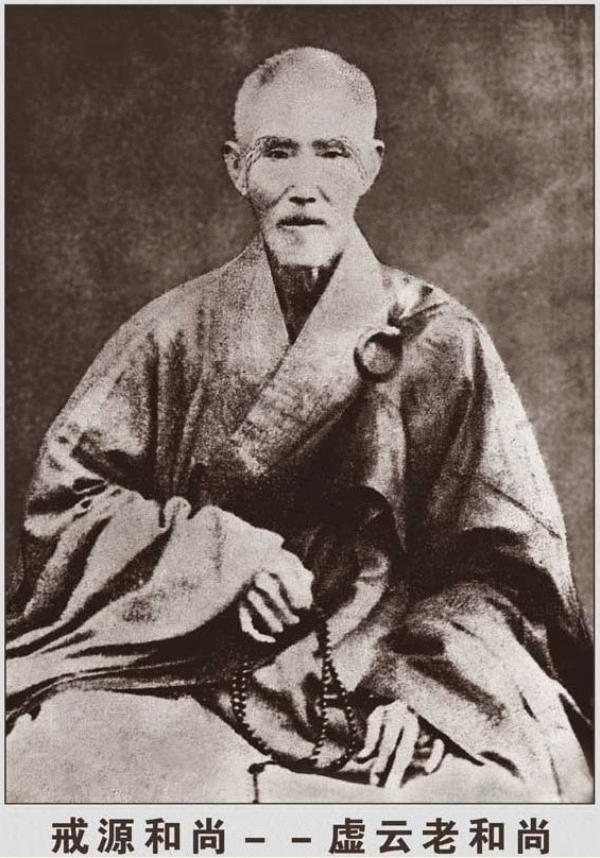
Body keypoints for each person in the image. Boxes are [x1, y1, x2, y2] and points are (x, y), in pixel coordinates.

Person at [6, 47, 592, 803]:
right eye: (278, 152)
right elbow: (65, 507)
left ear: (370, 166)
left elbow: (506, 571)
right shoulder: (172, 335)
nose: (304, 185)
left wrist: (427, 689)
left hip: (386, 674)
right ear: (237, 168)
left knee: (517, 792)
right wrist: (224, 561)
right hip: (192, 664)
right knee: (45, 761)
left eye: (332, 153)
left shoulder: (442, 341)